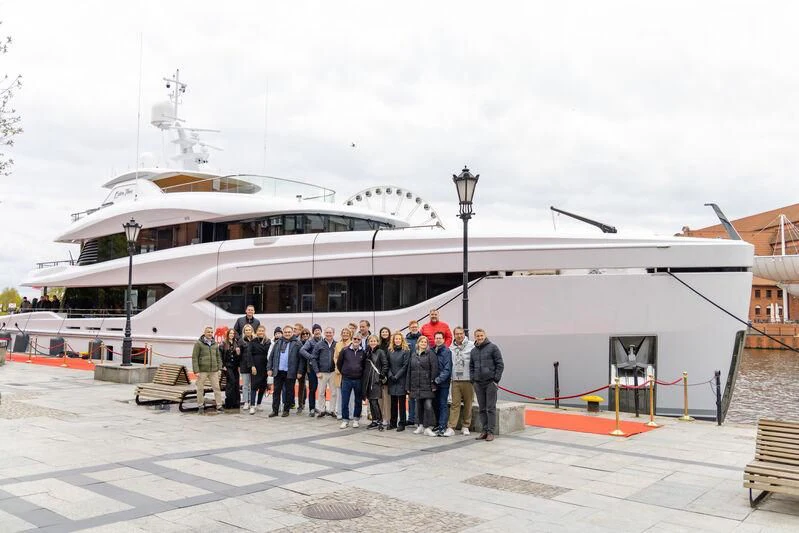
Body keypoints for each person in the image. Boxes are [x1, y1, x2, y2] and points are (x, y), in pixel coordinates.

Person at [470, 328, 504, 442]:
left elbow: (500, 364)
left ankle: (490, 432)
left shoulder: (493, 348)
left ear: (485, 336)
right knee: (482, 409)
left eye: (481, 335)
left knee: (490, 408)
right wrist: (473, 380)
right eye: (477, 336)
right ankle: (484, 431)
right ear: (475, 337)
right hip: (478, 384)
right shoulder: (473, 351)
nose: (479, 338)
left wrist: (496, 380)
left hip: (490, 383)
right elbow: (471, 366)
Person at [267, 324, 302, 417]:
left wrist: (299, 371)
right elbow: (271, 356)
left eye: (289, 332)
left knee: (289, 392)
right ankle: (275, 410)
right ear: (283, 333)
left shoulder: (297, 343)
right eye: (285, 332)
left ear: (292, 333)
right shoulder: (278, 342)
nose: (287, 334)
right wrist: (269, 368)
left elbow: (301, 360)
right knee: (276, 392)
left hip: (290, 371)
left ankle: (286, 410)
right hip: (278, 371)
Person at [407, 335, 438, 436]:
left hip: (428, 385)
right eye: (422, 342)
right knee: (418, 406)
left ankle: (427, 427)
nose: (423, 343)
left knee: (428, 406)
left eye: (425, 342)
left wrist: (433, 384)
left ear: (427, 344)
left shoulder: (431, 354)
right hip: (416, 385)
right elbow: (409, 371)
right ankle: (420, 425)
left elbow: (434, 369)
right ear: (418, 343)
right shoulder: (413, 354)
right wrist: (408, 386)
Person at [447, 326, 475, 436]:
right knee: (455, 404)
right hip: (455, 380)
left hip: (468, 379)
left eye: (461, 333)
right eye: (457, 334)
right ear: (454, 335)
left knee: (468, 404)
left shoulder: (471, 346)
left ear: (464, 334)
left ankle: (465, 426)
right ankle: (451, 427)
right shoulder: (451, 347)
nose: (459, 336)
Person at [336, 332, 366, 429]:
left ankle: (356, 419)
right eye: (355, 339)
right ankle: (345, 420)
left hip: (358, 380)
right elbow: (339, 364)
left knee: (358, 400)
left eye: (358, 339)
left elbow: (364, 366)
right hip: (346, 379)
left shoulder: (363, 352)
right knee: (345, 400)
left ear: (361, 341)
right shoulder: (345, 350)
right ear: (352, 339)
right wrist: (345, 372)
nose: (356, 341)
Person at [192, 325, 223, 414]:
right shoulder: (198, 343)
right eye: (208, 332)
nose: (210, 334)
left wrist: (219, 368)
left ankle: (219, 405)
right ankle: (200, 405)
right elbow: (195, 357)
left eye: (211, 332)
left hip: (213, 370)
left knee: (217, 388)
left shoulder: (215, 344)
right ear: (204, 333)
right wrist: (196, 370)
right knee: (200, 388)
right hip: (202, 370)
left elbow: (218, 356)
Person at [309, 326, 337, 417]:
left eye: (330, 332)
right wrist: (317, 371)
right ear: (324, 333)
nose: (329, 334)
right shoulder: (319, 345)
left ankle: (332, 410)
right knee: (321, 392)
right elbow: (313, 359)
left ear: (333, 333)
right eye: (327, 332)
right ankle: (322, 410)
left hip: (333, 372)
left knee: (333, 393)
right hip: (322, 373)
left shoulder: (336, 344)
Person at [362, 335, 388, 431]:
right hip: (368, 380)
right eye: (371, 341)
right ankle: (375, 420)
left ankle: (379, 421)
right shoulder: (367, 352)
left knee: (374, 401)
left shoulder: (380, 352)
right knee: (371, 401)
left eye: (374, 341)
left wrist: (381, 375)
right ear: (368, 342)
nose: (372, 342)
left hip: (375, 380)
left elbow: (385, 364)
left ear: (377, 342)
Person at [387, 331, 410, 431]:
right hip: (392, 379)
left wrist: (397, 376)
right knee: (393, 403)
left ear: (402, 340)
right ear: (393, 340)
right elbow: (387, 364)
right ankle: (393, 422)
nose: (397, 340)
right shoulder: (390, 350)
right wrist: (390, 375)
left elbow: (405, 366)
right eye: (396, 339)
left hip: (401, 380)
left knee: (401, 403)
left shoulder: (406, 350)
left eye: (399, 339)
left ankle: (402, 423)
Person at [300, 324, 323, 417]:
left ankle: (322, 408)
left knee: (322, 390)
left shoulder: (324, 341)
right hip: (312, 369)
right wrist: (310, 357)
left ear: (321, 331)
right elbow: (302, 350)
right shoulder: (310, 341)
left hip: (322, 369)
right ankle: (312, 408)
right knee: (313, 388)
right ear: (313, 332)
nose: (317, 331)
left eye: (318, 330)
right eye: (315, 330)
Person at [432, 331, 453, 436]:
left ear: (443, 339)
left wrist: (437, 380)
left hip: (443, 383)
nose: (438, 340)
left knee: (442, 404)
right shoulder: (432, 351)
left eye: (440, 338)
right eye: (436, 338)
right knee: (434, 404)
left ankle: (442, 426)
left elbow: (447, 369)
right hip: (434, 383)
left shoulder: (447, 352)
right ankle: (437, 424)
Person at [248, 325, 271, 414]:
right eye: (259, 331)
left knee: (263, 386)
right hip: (255, 367)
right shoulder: (252, 342)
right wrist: (252, 366)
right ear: (256, 332)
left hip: (265, 366)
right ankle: (252, 405)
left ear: (264, 332)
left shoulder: (268, 342)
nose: (261, 332)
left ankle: (259, 404)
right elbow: (249, 355)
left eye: (262, 330)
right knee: (254, 386)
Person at [405, 320, 422, 426]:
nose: (414, 328)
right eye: (412, 327)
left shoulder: (422, 338)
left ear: (418, 327)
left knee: (419, 397)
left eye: (416, 327)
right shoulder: (406, 340)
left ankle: (418, 419)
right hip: (410, 371)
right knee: (411, 396)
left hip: (420, 370)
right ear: (409, 328)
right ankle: (410, 418)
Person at [219, 329, 241, 410]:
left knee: (236, 383)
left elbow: (238, 357)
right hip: (227, 366)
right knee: (231, 382)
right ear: (227, 334)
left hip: (235, 366)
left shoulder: (236, 343)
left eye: (233, 333)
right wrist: (222, 365)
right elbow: (220, 355)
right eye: (230, 333)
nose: (231, 334)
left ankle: (236, 403)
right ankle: (229, 402)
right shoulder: (223, 343)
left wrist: (238, 353)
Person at [333, 327, 352, 419]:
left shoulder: (353, 344)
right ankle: (340, 413)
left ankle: (351, 413)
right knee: (340, 394)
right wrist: (338, 367)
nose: (345, 334)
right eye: (343, 332)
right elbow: (335, 357)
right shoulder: (338, 344)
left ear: (350, 334)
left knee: (351, 395)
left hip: (350, 373)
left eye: (347, 333)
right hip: (340, 373)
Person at [377, 326, 392, 428]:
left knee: (387, 399)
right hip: (379, 373)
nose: (385, 333)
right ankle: (381, 417)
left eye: (386, 332)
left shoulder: (391, 345)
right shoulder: (378, 346)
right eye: (383, 332)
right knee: (380, 398)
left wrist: (386, 373)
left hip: (387, 374)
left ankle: (387, 418)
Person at [294, 327, 312, 413]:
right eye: (303, 334)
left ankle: (312, 406)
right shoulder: (299, 344)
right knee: (301, 386)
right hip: (301, 367)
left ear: (309, 335)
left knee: (312, 386)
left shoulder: (312, 343)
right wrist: (300, 371)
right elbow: (300, 358)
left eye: (307, 334)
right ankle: (300, 405)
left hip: (311, 367)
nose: (305, 335)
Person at [239, 324, 256, 410]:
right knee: (245, 385)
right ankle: (246, 401)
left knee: (252, 385)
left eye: (249, 330)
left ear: (252, 331)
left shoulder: (255, 340)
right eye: (246, 330)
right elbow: (239, 355)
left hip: (253, 366)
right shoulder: (241, 341)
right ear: (244, 332)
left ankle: (251, 401)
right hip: (244, 366)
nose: (248, 331)